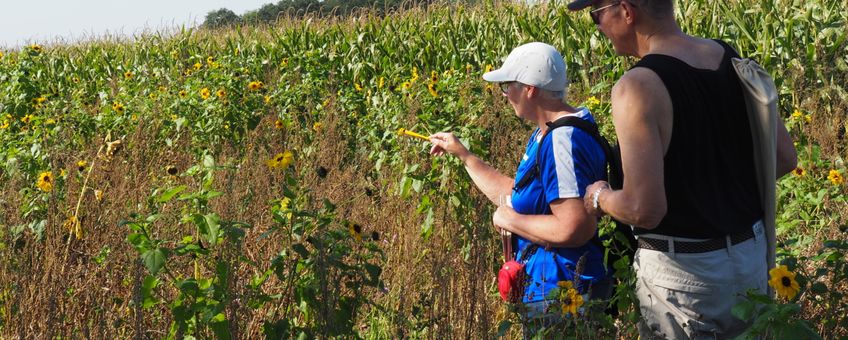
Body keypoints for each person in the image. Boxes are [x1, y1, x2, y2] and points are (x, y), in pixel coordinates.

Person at [567, 0, 798, 338]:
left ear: (627, 11)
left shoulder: (638, 87)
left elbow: (644, 209)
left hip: (685, 278)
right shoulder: (728, 57)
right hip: (751, 259)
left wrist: (599, 197)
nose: (598, 27)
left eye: (596, 15)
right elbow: (784, 158)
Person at [428, 42, 612, 335]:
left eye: (507, 86)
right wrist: (464, 155)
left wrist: (509, 220)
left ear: (530, 89)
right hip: (550, 288)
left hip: (564, 293)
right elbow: (520, 196)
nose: (504, 94)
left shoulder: (562, 140)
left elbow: (575, 227)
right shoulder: (547, 134)